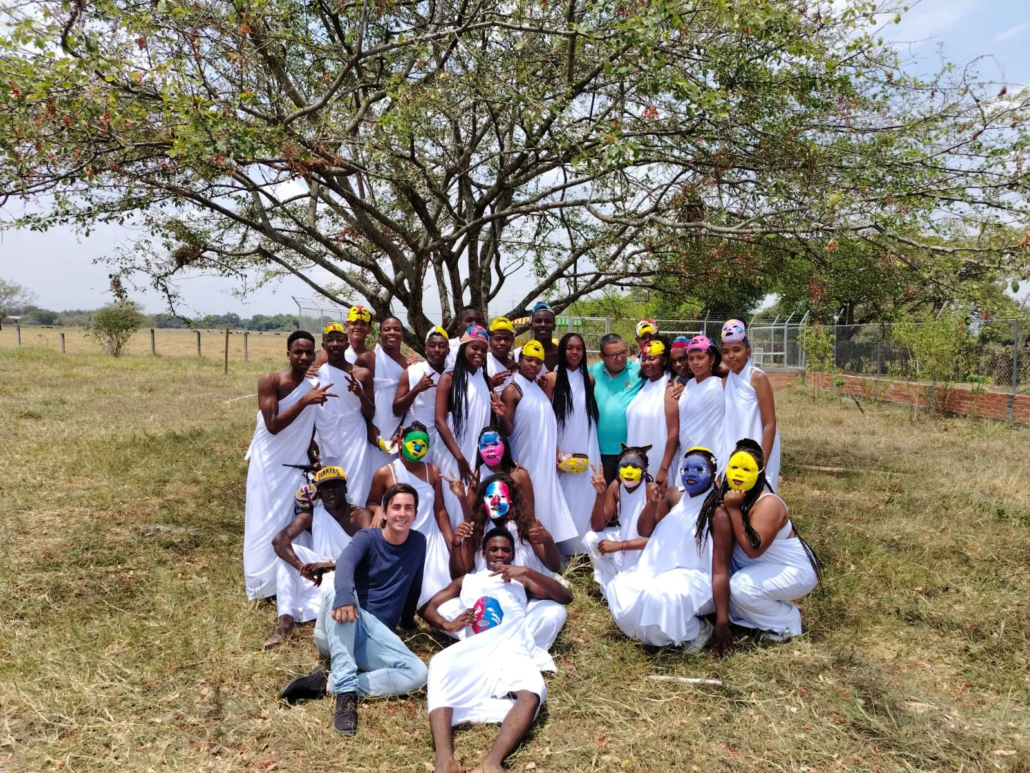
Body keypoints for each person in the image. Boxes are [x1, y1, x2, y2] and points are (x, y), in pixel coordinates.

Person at [278, 484, 429, 735]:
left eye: (408, 508)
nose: (402, 513)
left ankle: (328, 685)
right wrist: (346, 597)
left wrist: (409, 617)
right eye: (396, 507)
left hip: (374, 637)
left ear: (415, 513)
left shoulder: (418, 542)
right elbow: (345, 563)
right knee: (335, 593)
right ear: (384, 511)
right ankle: (346, 697)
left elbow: (414, 581)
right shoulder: (367, 537)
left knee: (418, 673)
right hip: (340, 626)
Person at [423, 528, 573, 773]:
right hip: (477, 646)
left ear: (513, 554)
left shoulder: (520, 580)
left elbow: (565, 597)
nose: (500, 554)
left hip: (512, 645)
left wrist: (526, 571)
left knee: (532, 693)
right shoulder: (468, 580)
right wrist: (447, 624)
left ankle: (491, 763)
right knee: (439, 665)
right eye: (494, 549)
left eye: (505, 550)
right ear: (484, 553)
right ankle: (444, 760)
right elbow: (429, 606)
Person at [605, 448, 732, 652]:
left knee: (657, 597)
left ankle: (698, 628)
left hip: (697, 578)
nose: (691, 474)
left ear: (713, 474)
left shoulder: (718, 511)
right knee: (621, 588)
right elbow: (645, 530)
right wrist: (653, 505)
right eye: (686, 468)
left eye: (699, 469)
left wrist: (722, 620)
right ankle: (666, 630)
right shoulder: (674, 495)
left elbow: (720, 570)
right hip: (659, 569)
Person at [243, 330, 336, 601]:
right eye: (298, 351)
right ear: (288, 354)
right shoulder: (270, 380)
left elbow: (304, 426)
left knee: (287, 520)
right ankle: (260, 584)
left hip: (296, 464)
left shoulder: (311, 387)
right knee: (262, 521)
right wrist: (304, 401)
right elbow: (273, 426)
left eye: (309, 352)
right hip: (269, 464)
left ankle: (284, 580)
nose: (304, 357)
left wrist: (310, 448)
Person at [718, 438, 820, 643]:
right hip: (758, 567)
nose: (738, 474)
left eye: (746, 469)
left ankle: (787, 622)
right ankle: (753, 619)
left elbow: (753, 550)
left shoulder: (768, 504)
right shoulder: (727, 492)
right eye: (734, 467)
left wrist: (733, 509)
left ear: (760, 473)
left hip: (793, 571)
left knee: (740, 588)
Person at [449, 474, 566, 650]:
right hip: (489, 596)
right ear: (483, 501)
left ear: (511, 500)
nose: (496, 501)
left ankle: (515, 646)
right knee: (448, 608)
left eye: (502, 496)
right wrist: (457, 543)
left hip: (528, 596)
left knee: (553, 613)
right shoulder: (477, 528)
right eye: (490, 497)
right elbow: (459, 575)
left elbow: (553, 566)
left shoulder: (526, 525)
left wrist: (548, 541)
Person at [365, 422, 467, 613]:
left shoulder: (433, 471)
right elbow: (370, 501)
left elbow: (439, 509)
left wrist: (449, 542)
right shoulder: (385, 473)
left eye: (423, 444)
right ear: (402, 442)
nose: (418, 448)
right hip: (401, 542)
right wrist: (378, 510)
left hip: (431, 540)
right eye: (413, 442)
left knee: (444, 594)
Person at [266, 467, 372, 648]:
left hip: (347, 577)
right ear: (319, 493)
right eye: (324, 487)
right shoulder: (313, 514)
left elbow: (371, 551)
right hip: (318, 576)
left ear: (345, 488)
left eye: (335, 485)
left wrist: (331, 564)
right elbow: (279, 541)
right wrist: (301, 567)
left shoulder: (360, 515)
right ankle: (286, 621)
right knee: (285, 558)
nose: (330, 490)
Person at [498, 340, 578, 545]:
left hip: (543, 460)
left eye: (538, 361)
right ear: (520, 360)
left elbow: (545, 426)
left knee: (544, 501)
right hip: (524, 458)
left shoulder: (537, 388)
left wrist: (556, 453)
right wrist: (501, 415)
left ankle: (546, 548)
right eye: (529, 360)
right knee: (527, 503)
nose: (533, 365)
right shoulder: (513, 390)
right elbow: (507, 431)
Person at [544, 332, 601, 553]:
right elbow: (548, 419)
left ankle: (582, 549)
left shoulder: (590, 380)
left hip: (585, 442)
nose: (575, 352)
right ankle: (563, 549)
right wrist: (556, 451)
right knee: (563, 493)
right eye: (570, 348)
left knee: (585, 490)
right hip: (561, 443)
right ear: (562, 351)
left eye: (579, 348)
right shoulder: (552, 379)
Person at [435, 325, 495, 528]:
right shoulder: (449, 378)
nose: (478, 353)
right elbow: (440, 421)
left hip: (478, 456)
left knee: (475, 503)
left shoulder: (485, 380)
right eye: (473, 348)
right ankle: (454, 552)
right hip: (453, 454)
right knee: (454, 501)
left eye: (483, 349)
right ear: (463, 349)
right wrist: (460, 458)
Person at [312, 322, 376, 506]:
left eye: (340, 340)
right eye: (329, 340)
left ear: (347, 344)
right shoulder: (316, 374)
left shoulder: (363, 374)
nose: (335, 344)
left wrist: (360, 394)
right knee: (328, 483)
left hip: (355, 435)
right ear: (323, 346)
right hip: (326, 434)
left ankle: (356, 528)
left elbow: (370, 413)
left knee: (356, 487)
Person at [581, 445, 657, 598]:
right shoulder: (616, 486)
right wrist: (601, 495)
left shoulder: (650, 490)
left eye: (635, 466)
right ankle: (609, 589)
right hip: (621, 538)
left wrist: (619, 546)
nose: (629, 471)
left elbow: (655, 539)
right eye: (625, 466)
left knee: (635, 590)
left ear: (644, 469)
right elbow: (597, 526)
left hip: (643, 548)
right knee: (591, 538)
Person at [721, 319, 782, 490]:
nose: (731, 356)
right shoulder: (727, 379)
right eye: (725, 352)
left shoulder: (756, 377)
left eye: (737, 350)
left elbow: (770, 424)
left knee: (757, 496)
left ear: (748, 352)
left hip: (758, 447)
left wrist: (762, 463)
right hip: (734, 445)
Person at [664, 335, 724, 480]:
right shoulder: (687, 386)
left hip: (712, 454)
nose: (695, 362)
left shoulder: (721, 384)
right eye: (691, 358)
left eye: (700, 357)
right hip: (686, 455)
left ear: (712, 359)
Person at [588, 333, 645, 484]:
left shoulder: (640, 372)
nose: (620, 358)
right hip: (597, 451)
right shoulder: (591, 372)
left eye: (622, 352)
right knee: (601, 497)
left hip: (628, 451)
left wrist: (676, 383)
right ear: (602, 356)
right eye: (613, 355)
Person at [393, 326, 450, 465]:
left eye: (441, 346)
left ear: (448, 350)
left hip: (445, 432)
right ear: (425, 349)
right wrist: (416, 389)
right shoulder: (412, 371)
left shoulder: (453, 373)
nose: (437, 349)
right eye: (432, 345)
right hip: (416, 433)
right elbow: (397, 409)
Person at [626, 339, 678, 485]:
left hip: (658, 461)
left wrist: (664, 468)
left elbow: (673, 433)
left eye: (652, 358)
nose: (647, 363)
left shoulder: (670, 388)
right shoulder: (644, 386)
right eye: (644, 359)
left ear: (664, 360)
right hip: (636, 461)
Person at [366, 316, 411, 470]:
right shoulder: (368, 359)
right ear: (380, 334)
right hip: (374, 426)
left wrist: (403, 427)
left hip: (398, 426)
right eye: (387, 329)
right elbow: (358, 396)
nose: (392, 332)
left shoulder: (409, 365)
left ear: (403, 335)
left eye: (397, 329)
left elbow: (410, 401)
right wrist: (367, 425)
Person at [469, 427, 536, 521]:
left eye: (495, 444)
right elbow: (471, 516)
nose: (490, 449)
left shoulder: (519, 475)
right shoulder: (477, 476)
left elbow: (530, 515)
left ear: (504, 445)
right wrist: (460, 496)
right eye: (485, 445)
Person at [513, 301, 558, 373]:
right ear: (531, 326)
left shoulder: (562, 355)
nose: (543, 325)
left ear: (554, 326)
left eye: (548, 321)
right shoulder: (518, 354)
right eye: (538, 321)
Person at [445, 305, 486, 371]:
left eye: (478, 321)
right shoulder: (448, 346)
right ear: (459, 325)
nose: (474, 324)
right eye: (469, 320)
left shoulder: (486, 348)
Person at [486, 316, 518, 390]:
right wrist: (490, 384)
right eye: (498, 338)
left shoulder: (517, 368)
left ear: (512, 341)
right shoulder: (483, 364)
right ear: (490, 340)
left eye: (507, 339)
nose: (502, 343)